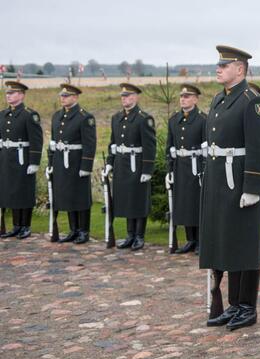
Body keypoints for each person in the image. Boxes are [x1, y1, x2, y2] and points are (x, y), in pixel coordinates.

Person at [199, 46, 260, 330]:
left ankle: (247, 306)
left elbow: (259, 146)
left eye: (224, 64)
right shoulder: (220, 99)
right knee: (228, 242)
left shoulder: (252, 102)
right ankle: (233, 304)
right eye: (218, 64)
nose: (218, 68)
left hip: (241, 182)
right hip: (220, 181)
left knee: (245, 243)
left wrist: (252, 186)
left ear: (240, 69)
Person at [104, 83, 156, 251]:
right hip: (122, 164)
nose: (124, 99)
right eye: (122, 96)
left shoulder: (143, 118)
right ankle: (130, 234)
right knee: (126, 200)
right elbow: (113, 144)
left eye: (127, 96)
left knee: (138, 200)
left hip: (137, 165)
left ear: (135, 97)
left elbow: (150, 146)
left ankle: (139, 236)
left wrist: (147, 170)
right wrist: (109, 163)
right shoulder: (116, 118)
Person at [47, 84, 97, 244]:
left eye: (66, 96)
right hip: (61, 161)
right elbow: (53, 142)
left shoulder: (84, 117)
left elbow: (90, 144)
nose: (63, 98)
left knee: (80, 197)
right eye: (62, 96)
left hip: (77, 162)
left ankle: (84, 231)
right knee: (67, 195)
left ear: (75, 97)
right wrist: (51, 163)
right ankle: (73, 229)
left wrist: (86, 166)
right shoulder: (57, 116)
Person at [165, 83, 207, 254]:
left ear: (196, 99)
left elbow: (206, 148)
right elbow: (170, 147)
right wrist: (170, 170)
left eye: (187, 96)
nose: (183, 99)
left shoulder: (203, 119)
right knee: (184, 203)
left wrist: (205, 171)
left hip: (196, 168)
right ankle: (190, 239)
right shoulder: (174, 120)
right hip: (180, 167)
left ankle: (200, 240)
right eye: (182, 96)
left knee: (196, 203)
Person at [0, 81, 43, 240]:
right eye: (7, 93)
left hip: (22, 159)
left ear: (21, 95)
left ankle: (25, 226)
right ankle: (16, 226)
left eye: (12, 93)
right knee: (10, 192)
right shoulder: (3, 114)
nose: (8, 95)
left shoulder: (29, 115)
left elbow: (36, 140)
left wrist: (34, 162)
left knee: (23, 192)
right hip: (6, 158)